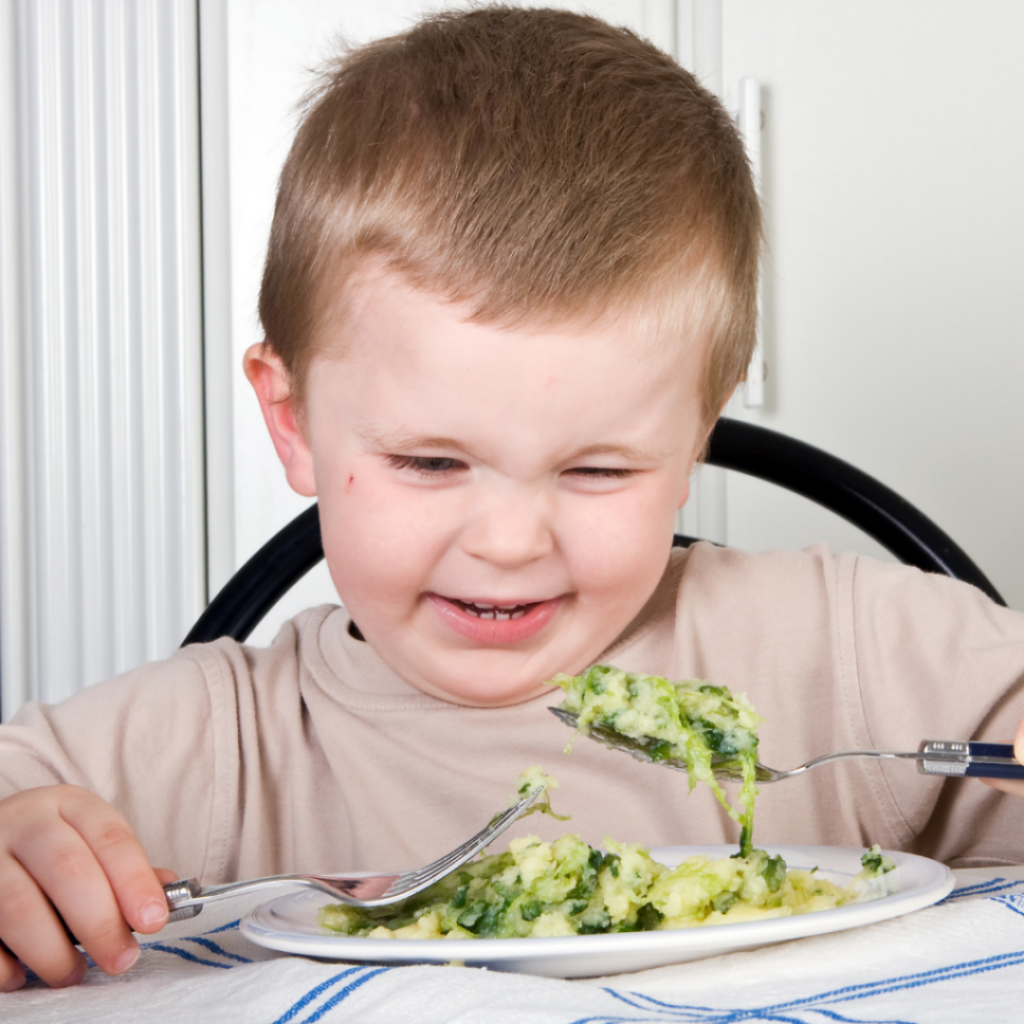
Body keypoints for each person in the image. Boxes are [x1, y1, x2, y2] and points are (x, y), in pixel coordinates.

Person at [1, 4, 1023, 993]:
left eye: (597, 470)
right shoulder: (220, 739)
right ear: (292, 421)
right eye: (430, 463)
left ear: (693, 438)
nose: (506, 541)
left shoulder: (833, 654)